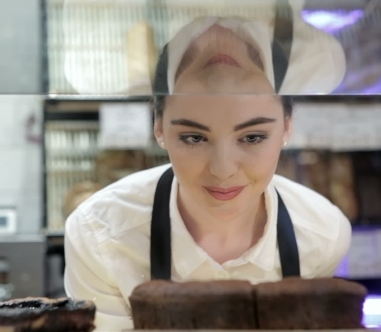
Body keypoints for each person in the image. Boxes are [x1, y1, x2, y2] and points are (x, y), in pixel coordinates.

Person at [64, 4, 350, 331]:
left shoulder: (324, 235)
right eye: (194, 138)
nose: (223, 169)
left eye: (253, 137)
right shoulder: (98, 237)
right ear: (159, 127)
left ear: (287, 127)